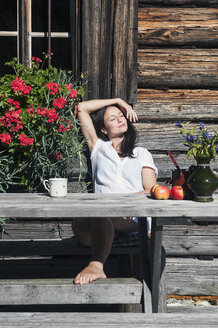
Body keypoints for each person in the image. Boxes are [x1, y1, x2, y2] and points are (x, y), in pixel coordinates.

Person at [72, 98, 157, 285]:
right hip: (103, 216)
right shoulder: (98, 148)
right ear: (103, 129)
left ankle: (96, 265)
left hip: (133, 218)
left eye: (121, 115)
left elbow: (151, 189)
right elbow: (82, 108)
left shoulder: (141, 153)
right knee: (80, 222)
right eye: (113, 118)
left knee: (103, 212)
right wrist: (119, 101)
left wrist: (125, 204)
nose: (120, 119)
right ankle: (105, 235)